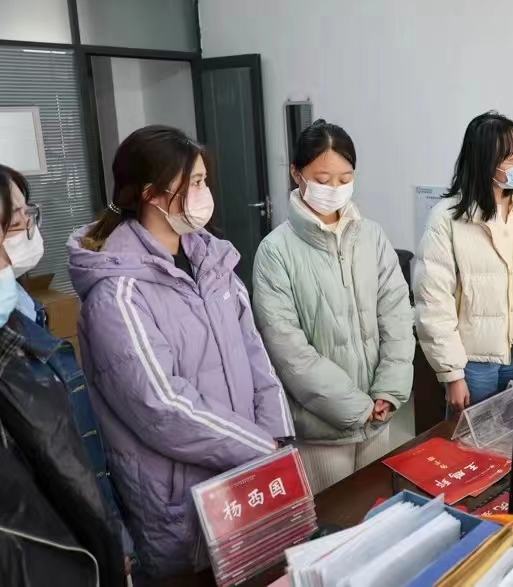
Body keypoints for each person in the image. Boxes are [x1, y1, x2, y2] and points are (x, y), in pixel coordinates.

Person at [67, 126, 294, 580]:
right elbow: (163, 406)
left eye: (205, 181)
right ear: (151, 194)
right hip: (180, 499)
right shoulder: (118, 294)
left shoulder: (214, 261)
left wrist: (279, 439)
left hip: (249, 469)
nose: (204, 194)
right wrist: (260, 448)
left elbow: (256, 356)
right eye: (193, 183)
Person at [252, 120, 414, 493]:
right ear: (297, 174)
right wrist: (355, 408)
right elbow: (287, 349)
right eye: (323, 180)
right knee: (334, 518)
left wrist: (388, 391)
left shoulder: (372, 236)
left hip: (379, 415)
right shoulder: (275, 252)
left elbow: (397, 315)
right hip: (321, 431)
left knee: (379, 510)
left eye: (345, 179)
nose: (335, 189)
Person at [0, 165, 124, 586]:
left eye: (26, 213)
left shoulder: (22, 309)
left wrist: (110, 535)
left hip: (86, 544)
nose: (27, 226)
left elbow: (75, 451)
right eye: (13, 220)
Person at [415, 111, 513, 412]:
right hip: (473, 362)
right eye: (512, 159)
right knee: (470, 437)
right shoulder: (446, 220)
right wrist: (452, 374)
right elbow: (434, 303)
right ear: (485, 164)